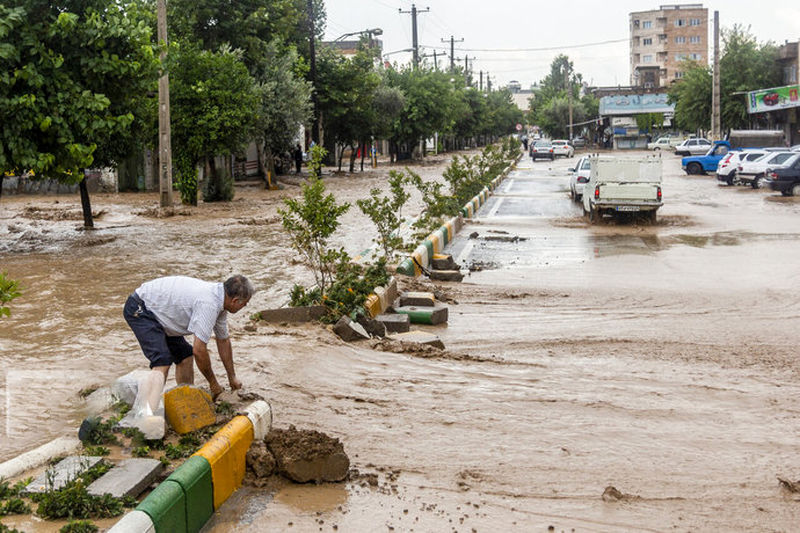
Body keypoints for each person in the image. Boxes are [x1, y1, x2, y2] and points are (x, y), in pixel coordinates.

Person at [123, 274, 254, 417]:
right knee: (162, 361)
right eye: (245, 303)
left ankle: (185, 403)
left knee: (185, 356)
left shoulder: (221, 303)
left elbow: (223, 341)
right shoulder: (209, 304)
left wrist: (232, 377)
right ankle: (146, 415)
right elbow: (199, 350)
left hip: (160, 312)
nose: (245, 306)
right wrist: (214, 384)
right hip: (141, 309)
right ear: (235, 301)